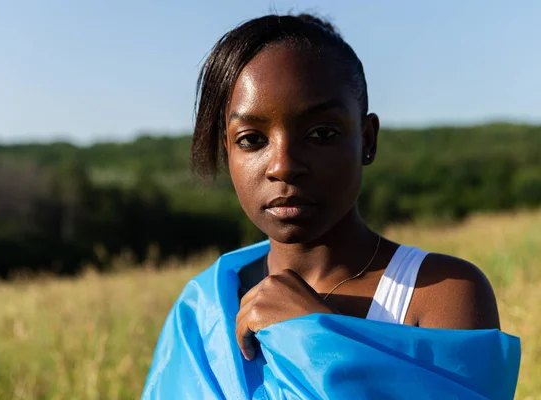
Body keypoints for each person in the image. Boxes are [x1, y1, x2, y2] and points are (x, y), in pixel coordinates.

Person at [142, 13, 520, 399]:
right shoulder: (203, 312)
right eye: (252, 139)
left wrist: (318, 336)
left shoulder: (439, 293)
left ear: (367, 139)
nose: (283, 165)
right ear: (228, 152)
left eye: (321, 134)